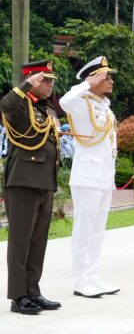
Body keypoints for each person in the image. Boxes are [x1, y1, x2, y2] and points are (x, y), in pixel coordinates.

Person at [1, 61, 62, 314]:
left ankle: (33, 291)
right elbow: (5, 105)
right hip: (24, 180)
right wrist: (26, 85)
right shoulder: (19, 106)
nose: (49, 85)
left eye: (51, 81)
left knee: (37, 242)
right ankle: (18, 296)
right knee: (20, 241)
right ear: (32, 81)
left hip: (45, 181)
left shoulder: (46, 109)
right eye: (44, 80)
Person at [59, 56, 120, 298]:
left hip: (104, 175)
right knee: (84, 230)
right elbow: (64, 101)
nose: (111, 81)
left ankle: (94, 277)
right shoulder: (80, 101)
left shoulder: (103, 104)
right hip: (87, 175)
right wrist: (87, 83)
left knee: (97, 230)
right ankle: (80, 280)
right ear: (93, 78)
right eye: (107, 77)